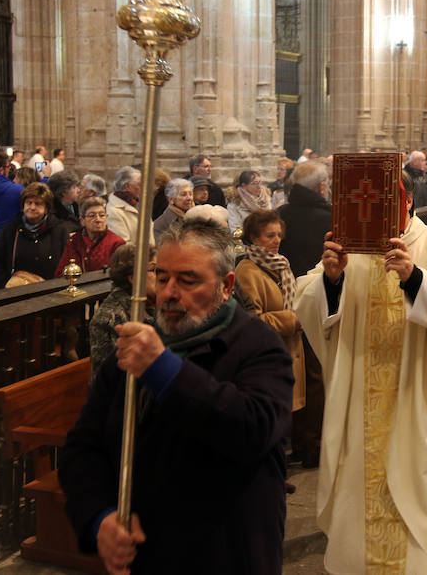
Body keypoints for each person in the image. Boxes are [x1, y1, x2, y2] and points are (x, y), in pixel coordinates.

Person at [60, 219, 293, 573]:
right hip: (148, 552)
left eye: (188, 280)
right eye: (162, 276)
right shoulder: (133, 348)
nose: (168, 292)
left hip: (226, 551)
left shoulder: (259, 346)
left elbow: (253, 428)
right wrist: (99, 517)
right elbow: (83, 447)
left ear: (226, 286)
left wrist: (165, 370)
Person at [294, 172, 427, 574]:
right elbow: (305, 299)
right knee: (357, 514)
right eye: (368, 202)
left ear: (407, 201)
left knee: (417, 517)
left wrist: (415, 278)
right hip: (359, 408)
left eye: (384, 201)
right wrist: (331, 279)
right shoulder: (351, 250)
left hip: (417, 408)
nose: (374, 210)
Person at [276, 161, 329, 467]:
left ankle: (297, 440)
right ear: (322, 187)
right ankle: (315, 443)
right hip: (321, 300)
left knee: (293, 374)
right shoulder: (329, 217)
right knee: (317, 374)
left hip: (284, 302)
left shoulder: (282, 215)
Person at [235, 210, 305, 412]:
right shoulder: (247, 271)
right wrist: (293, 319)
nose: (277, 240)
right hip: (267, 359)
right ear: (254, 238)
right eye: (270, 236)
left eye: (278, 235)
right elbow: (251, 321)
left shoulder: (281, 264)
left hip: (287, 352)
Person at [87, 242, 156, 381]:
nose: (161, 276)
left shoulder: (157, 303)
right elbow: (111, 380)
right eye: (154, 269)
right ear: (133, 277)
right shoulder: (110, 317)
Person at [0, 182, 71, 288]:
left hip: (51, 292)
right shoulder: (11, 229)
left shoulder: (59, 230)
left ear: (46, 208)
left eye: (38, 204)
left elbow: (67, 262)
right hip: (15, 292)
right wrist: (5, 286)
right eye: (29, 203)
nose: (32, 207)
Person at [55, 196, 126, 278]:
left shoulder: (117, 243)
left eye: (102, 215)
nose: (98, 220)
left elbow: (121, 277)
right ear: (82, 221)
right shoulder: (74, 242)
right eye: (92, 216)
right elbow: (60, 274)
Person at [106, 166, 145, 244]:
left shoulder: (138, 204)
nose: (144, 188)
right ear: (127, 186)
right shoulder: (113, 212)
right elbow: (122, 246)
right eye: (140, 184)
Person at [153, 178, 193, 244]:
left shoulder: (196, 217)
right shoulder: (160, 224)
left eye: (190, 194)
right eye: (183, 194)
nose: (189, 198)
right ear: (171, 199)